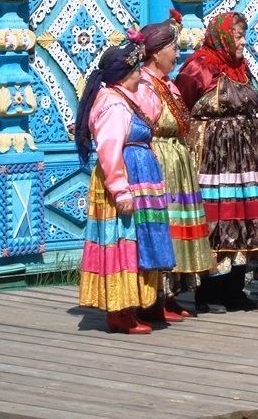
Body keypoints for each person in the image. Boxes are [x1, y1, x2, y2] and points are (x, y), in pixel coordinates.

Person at [75, 32, 175, 334]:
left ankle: (137, 304)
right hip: (122, 183)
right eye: (134, 71)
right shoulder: (113, 105)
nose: (138, 75)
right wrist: (120, 190)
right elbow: (109, 149)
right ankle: (120, 311)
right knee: (122, 241)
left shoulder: (125, 98)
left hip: (139, 179)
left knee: (137, 241)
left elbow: (153, 109)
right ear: (123, 75)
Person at [176, 11, 258, 313]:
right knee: (217, 218)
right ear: (221, 36)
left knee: (244, 219)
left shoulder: (241, 69)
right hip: (214, 158)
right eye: (238, 36)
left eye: (244, 36)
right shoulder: (198, 67)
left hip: (246, 158)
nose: (244, 42)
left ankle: (234, 289)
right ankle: (207, 291)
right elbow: (182, 108)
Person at [138, 11, 214, 321]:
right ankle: (157, 296)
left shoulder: (167, 84)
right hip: (160, 159)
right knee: (164, 226)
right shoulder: (144, 85)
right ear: (156, 53)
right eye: (173, 47)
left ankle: (172, 294)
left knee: (179, 225)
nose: (177, 53)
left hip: (177, 159)